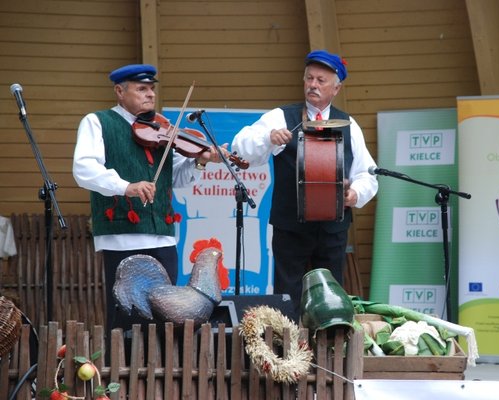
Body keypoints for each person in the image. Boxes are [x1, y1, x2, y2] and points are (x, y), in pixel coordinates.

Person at [72, 64, 225, 335]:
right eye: (141, 88)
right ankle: (122, 373)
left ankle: (161, 374)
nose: (150, 94)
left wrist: (200, 163)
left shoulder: (163, 128)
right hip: (122, 235)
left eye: (152, 88)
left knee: (167, 318)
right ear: (120, 91)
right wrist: (125, 186)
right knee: (126, 316)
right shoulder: (98, 122)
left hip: (163, 237)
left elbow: (176, 178)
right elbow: (84, 169)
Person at [232, 50, 378, 318]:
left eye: (321, 81)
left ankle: (328, 350)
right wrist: (268, 137)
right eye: (309, 78)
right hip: (291, 226)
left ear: (336, 88)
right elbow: (241, 147)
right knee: (287, 295)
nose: (313, 85)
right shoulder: (281, 117)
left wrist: (355, 194)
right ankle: (286, 351)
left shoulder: (349, 124)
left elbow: (368, 173)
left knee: (331, 296)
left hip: (332, 227)